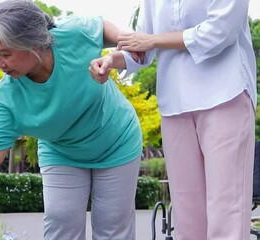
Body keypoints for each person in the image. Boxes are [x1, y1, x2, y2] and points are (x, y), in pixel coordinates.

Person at [0, 0, 143, 239]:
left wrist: (126, 40)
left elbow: (100, 27)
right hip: (62, 153)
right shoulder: (8, 98)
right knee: (61, 222)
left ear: (34, 44)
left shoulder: (73, 35)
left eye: (5, 54)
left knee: (112, 226)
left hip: (116, 142)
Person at [89, 0, 257, 239]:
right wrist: (110, 60)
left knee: (226, 210)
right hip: (175, 104)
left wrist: (154, 40)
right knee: (187, 215)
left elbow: (221, 31)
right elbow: (140, 46)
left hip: (225, 95)